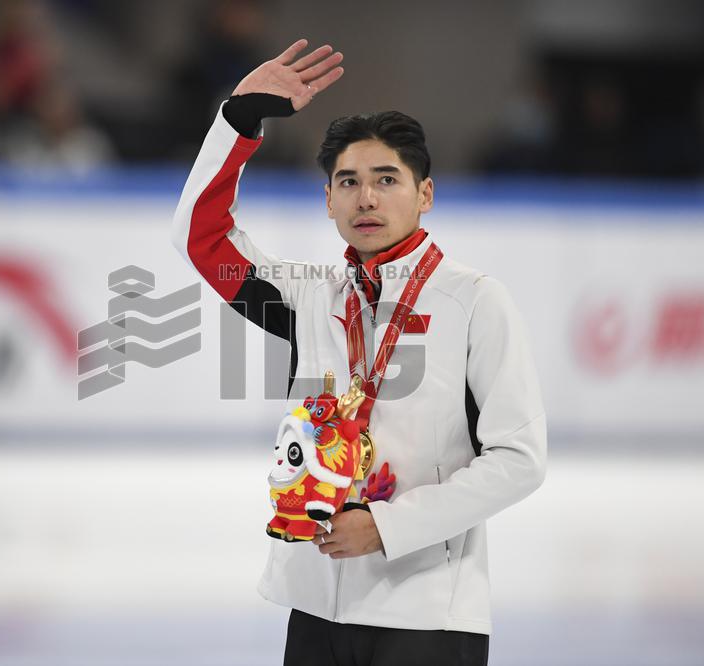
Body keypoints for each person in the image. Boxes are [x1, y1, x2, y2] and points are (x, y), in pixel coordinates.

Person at [171, 39, 546, 666]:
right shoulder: (309, 298)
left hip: (426, 614)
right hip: (315, 603)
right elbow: (201, 237)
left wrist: (387, 528)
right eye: (348, 182)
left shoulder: (476, 301)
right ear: (328, 200)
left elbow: (519, 460)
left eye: (386, 180)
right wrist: (237, 119)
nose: (366, 198)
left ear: (425, 194)